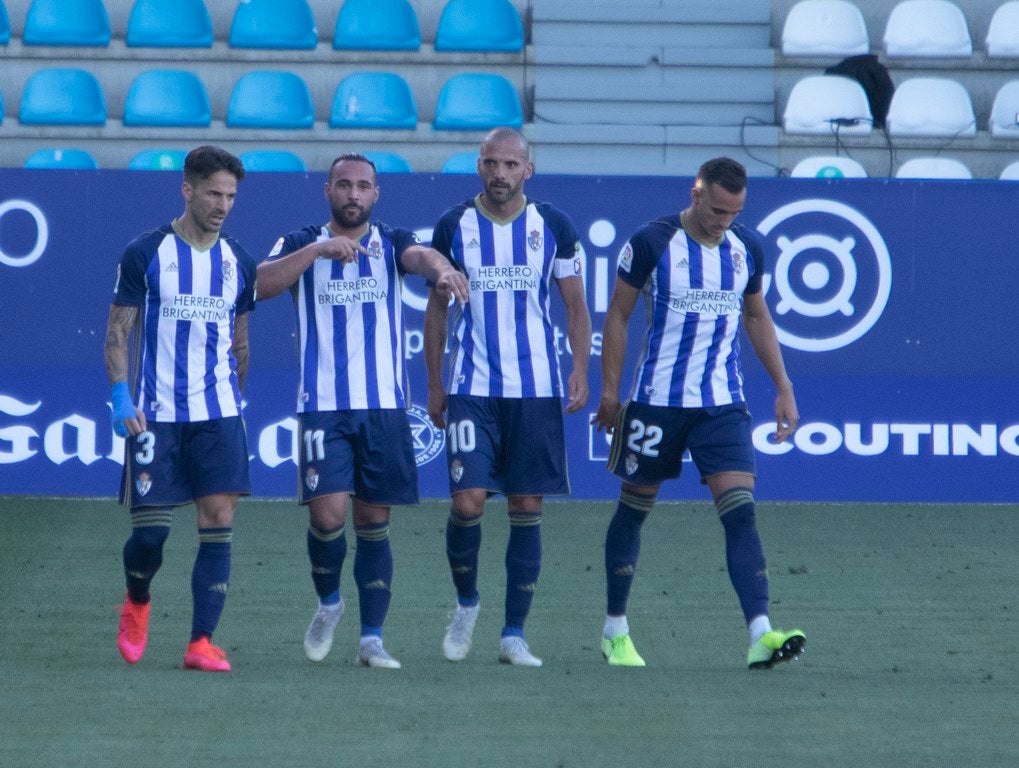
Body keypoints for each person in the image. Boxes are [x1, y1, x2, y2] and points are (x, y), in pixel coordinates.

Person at [591, 157, 806, 670]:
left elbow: (756, 314)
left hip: (721, 404)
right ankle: (615, 629)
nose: (722, 221)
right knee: (633, 510)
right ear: (696, 192)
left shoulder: (746, 247)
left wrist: (783, 386)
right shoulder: (650, 241)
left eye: (733, 213)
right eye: (716, 210)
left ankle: (761, 634)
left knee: (740, 510)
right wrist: (610, 395)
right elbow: (617, 315)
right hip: (657, 400)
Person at [256, 154, 469, 668]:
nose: (353, 194)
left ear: (376, 195)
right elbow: (258, 284)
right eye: (344, 185)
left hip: (385, 408)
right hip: (322, 407)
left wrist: (443, 271)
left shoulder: (391, 242)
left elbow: (423, 257)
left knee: (374, 519)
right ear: (328, 190)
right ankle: (329, 603)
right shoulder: (298, 241)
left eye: (363, 186)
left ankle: (372, 639)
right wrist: (316, 251)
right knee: (328, 517)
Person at [424, 127, 591, 667]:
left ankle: (514, 632)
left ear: (528, 170)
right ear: (479, 167)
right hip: (473, 387)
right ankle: (467, 603)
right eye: (491, 164)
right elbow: (436, 311)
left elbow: (577, 308)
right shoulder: (454, 225)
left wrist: (581, 370)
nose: (500, 173)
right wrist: (434, 383)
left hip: (536, 390)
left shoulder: (555, 226)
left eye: (510, 165)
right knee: (467, 502)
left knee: (526, 504)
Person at [105, 145, 256, 673]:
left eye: (231, 195)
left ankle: (200, 642)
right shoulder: (145, 253)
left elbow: (240, 342)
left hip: (217, 416)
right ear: (187, 190)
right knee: (151, 535)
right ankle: (138, 599)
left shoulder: (238, 260)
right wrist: (121, 395)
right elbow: (118, 332)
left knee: (218, 520)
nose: (222, 204)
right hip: (156, 416)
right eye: (213, 192)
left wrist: (235, 397)